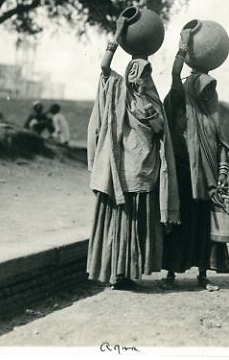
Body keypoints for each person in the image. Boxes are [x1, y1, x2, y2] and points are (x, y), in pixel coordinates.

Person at [86, 16, 180, 290]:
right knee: (121, 222)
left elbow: (160, 130)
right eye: (134, 72)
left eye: (143, 73)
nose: (137, 77)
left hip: (141, 170)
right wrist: (116, 34)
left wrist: (151, 116)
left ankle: (126, 274)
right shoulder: (117, 90)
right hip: (121, 170)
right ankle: (115, 275)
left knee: (133, 225)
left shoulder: (151, 102)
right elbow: (104, 66)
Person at [161, 29, 229, 291]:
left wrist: (222, 172)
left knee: (203, 224)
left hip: (205, 177)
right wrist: (182, 45)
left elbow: (221, 142)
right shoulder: (180, 99)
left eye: (211, 90)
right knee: (176, 222)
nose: (207, 94)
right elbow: (173, 73)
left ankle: (203, 275)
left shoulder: (210, 113)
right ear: (192, 87)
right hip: (180, 170)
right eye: (204, 89)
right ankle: (170, 272)